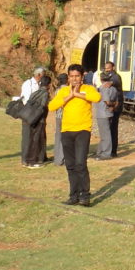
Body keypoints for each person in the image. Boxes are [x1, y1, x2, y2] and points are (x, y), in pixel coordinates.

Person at [48, 64, 101, 206]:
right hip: (66, 131)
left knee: (80, 164)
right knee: (70, 165)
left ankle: (85, 196)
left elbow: (97, 98)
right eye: (72, 76)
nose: (74, 79)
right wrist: (69, 96)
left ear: (82, 76)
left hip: (82, 130)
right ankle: (73, 196)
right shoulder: (64, 91)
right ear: (68, 77)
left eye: (77, 76)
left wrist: (78, 94)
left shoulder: (88, 89)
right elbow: (52, 106)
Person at [21, 76, 51, 168]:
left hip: (30, 117)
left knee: (31, 139)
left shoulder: (34, 93)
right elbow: (43, 107)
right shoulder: (45, 94)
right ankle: (34, 160)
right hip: (39, 119)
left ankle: (34, 158)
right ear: (49, 85)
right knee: (37, 140)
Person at [18, 67, 44, 163]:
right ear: (39, 75)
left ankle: (35, 156)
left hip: (36, 113)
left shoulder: (40, 84)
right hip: (28, 112)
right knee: (27, 136)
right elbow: (27, 99)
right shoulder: (28, 84)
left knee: (35, 135)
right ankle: (25, 158)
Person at [94, 72, 120, 159]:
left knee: (105, 135)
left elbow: (107, 101)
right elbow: (117, 102)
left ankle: (106, 154)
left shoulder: (103, 88)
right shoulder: (114, 89)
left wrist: (110, 105)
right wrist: (113, 107)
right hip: (109, 113)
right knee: (105, 134)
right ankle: (100, 151)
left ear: (101, 79)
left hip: (102, 113)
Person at [102, 61, 123, 156]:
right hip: (109, 106)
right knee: (108, 128)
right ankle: (108, 149)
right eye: (106, 68)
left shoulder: (115, 76)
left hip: (115, 106)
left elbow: (117, 81)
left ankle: (113, 151)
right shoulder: (107, 75)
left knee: (113, 128)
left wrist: (111, 82)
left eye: (108, 68)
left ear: (113, 68)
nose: (107, 70)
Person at [52, 72, 68, 165]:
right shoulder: (66, 89)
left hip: (58, 115)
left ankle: (57, 158)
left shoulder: (57, 89)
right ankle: (62, 158)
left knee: (58, 137)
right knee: (65, 138)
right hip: (64, 116)